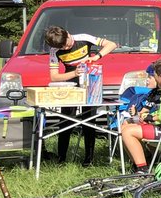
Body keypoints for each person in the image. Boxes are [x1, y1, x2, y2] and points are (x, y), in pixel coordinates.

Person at [44, 25, 118, 166]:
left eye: (67, 44)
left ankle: (88, 159)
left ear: (67, 34)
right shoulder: (54, 51)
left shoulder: (83, 37)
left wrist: (96, 57)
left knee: (89, 120)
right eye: (63, 48)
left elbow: (111, 44)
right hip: (70, 85)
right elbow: (54, 77)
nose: (66, 48)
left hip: (90, 82)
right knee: (66, 120)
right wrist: (74, 73)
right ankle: (61, 158)